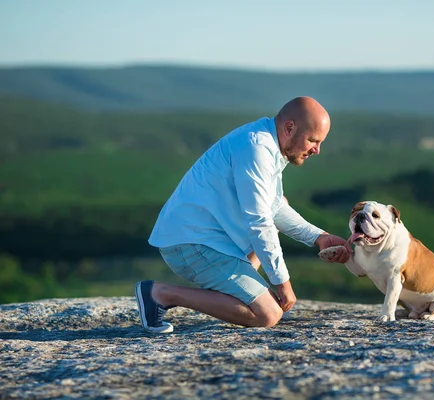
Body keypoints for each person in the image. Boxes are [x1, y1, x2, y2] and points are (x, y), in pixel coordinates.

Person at [135, 96, 352, 333]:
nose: (317, 150)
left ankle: (233, 287)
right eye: (313, 140)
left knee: (279, 204)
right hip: (191, 244)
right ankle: (160, 294)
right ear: (289, 128)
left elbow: (275, 207)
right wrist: (282, 282)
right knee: (267, 313)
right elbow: (259, 221)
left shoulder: (270, 144)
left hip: (210, 241)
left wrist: (319, 237)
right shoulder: (257, 149)